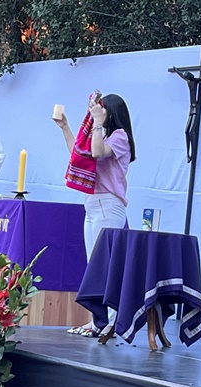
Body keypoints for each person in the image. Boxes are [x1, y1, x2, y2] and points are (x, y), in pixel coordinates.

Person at [55, 93, 136, 338]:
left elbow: (98, 152)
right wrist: (65, 127)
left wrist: (97, 122)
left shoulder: (120, 136)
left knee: (107, 264)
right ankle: (97, 321)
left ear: (111, 112)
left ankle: (110, 321)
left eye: (102, 110)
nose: (97, 114)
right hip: (93, 202)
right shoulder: (103, 135)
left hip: (108, 203)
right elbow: (79, 154)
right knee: (94, 266)